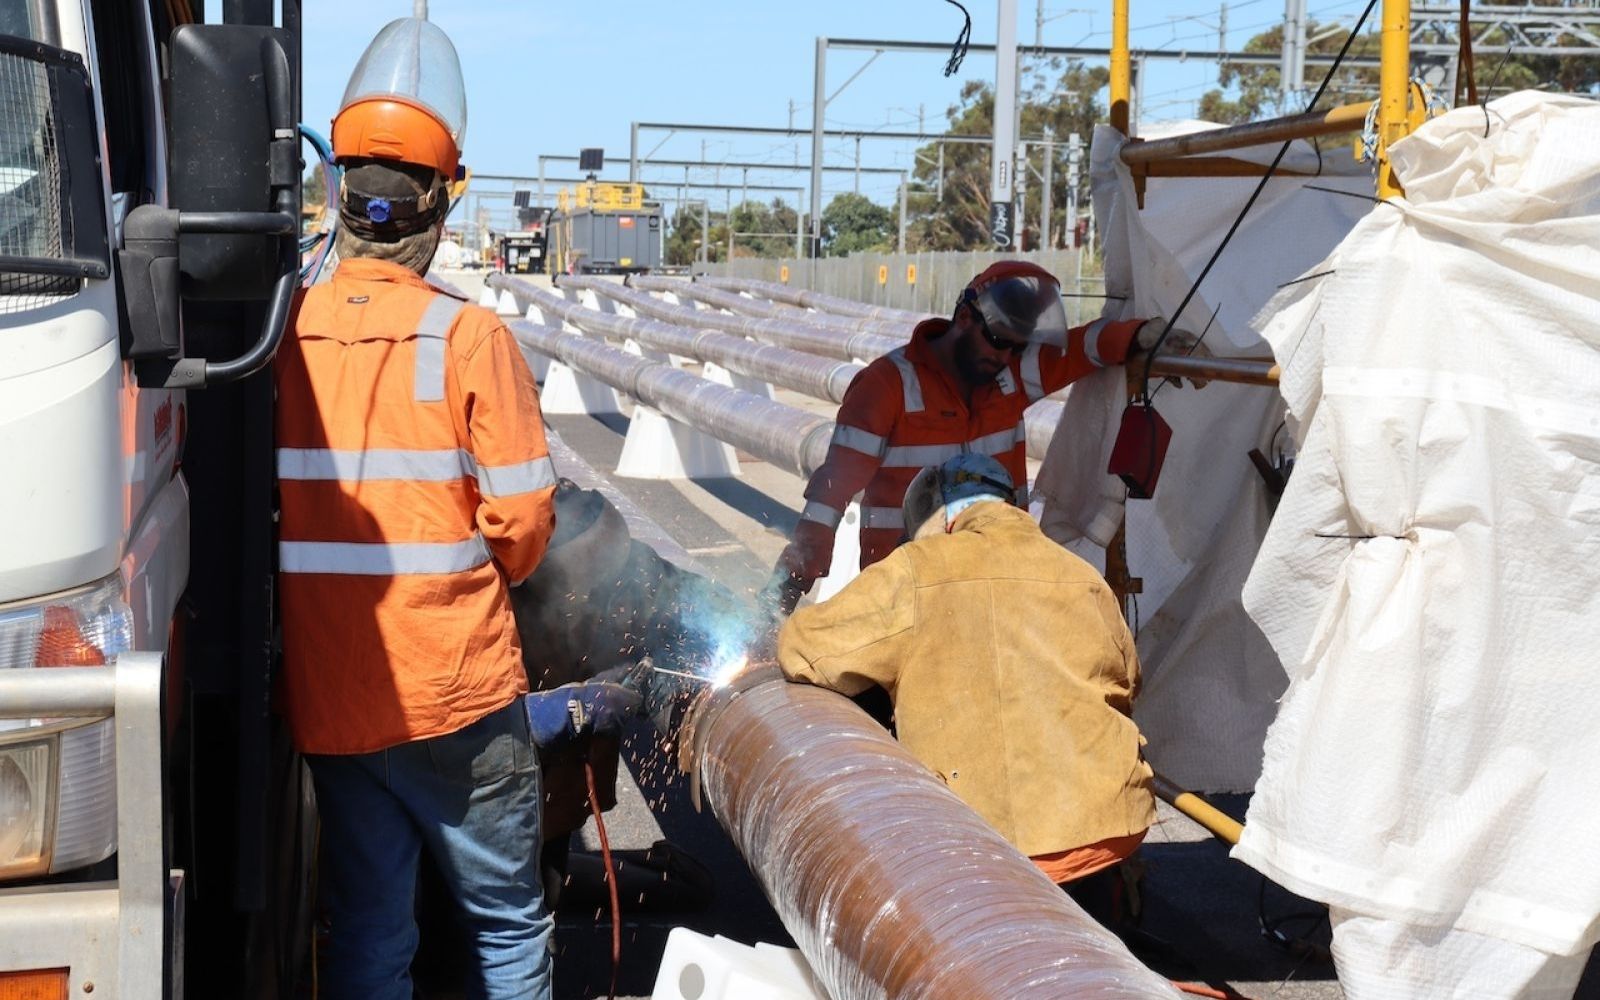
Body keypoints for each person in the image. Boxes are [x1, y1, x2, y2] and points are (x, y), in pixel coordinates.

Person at [274, 18, 558, 999]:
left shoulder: (280, 333)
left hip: (335, 692)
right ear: (441, 203)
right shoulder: (468, 337)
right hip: (455, 697)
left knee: (367, 923)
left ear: (338, 192)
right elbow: (521, 527)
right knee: (505, 919)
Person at [775, 453, 1157, 916]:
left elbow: (807, 650)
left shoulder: (918, 566)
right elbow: (1128, 680)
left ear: (939, 517)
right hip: (1108, 829)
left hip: (993, 844)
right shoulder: (1080, 573)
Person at [770, 260, 1190, 606]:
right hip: (905, 587)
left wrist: (1141, 336)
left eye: (1017, 345)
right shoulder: (887, 387)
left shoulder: (1012, 374)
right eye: (997, 342)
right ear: (965, 317)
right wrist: (806, 555)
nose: (1005, 356)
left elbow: (1085, 347)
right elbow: (834, 486)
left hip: (998, 580)